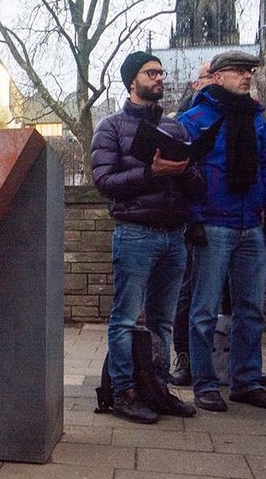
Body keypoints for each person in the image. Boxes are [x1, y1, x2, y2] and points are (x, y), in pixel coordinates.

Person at [91, 51, 204, 423]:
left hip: (174, 236)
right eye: (150, 72)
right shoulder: (111, 127)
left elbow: (198, 186)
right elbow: (104, 183)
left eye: (160, 72)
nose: (159, 77)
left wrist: (185, 170)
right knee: (124, 319)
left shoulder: (176, 128)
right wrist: (152, 174)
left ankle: (158, 388)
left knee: (163, 321)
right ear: (131, 82)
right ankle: (123, 392)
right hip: (136, 234)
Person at [178, 50, 266, 412]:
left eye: (249, 71)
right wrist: (194, 217)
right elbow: (185, 173)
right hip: (214, 223)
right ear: (216, 77)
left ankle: (245, 380)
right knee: (205, 308)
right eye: (238, 71)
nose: (246, 76)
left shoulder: (258, 119)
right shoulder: (193, 119)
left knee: (251, 309)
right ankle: (205, 383)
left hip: (251, 225)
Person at [170, 60, 213, 386]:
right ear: (197, 83)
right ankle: (185, 358)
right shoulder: (187, 119)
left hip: (238, 218)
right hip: (195, 218)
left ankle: (225, 363)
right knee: (188, 293)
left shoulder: (246, 115)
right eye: (208, 75)